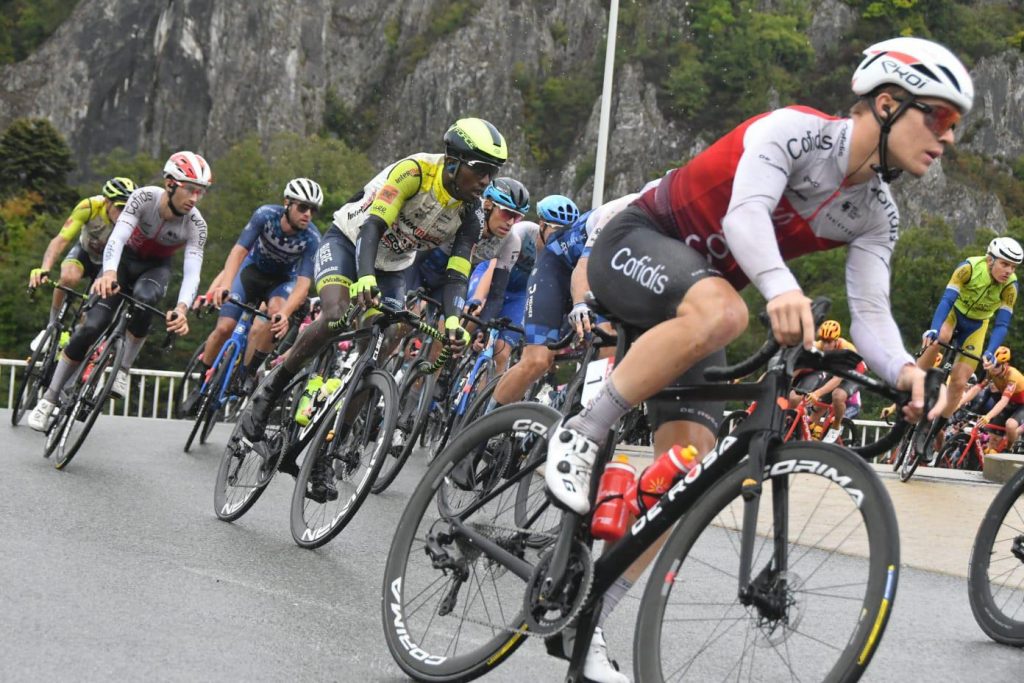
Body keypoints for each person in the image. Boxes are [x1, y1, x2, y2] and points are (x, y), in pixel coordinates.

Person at [542, 37, 964, 674]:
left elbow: (872, 315)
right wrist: (782, 288)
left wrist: (906, 370)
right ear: (885, 104)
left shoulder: (876, 213)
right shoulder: (794, 132)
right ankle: (583, 431)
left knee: (683, 476)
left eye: (956, 124)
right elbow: (745, 218)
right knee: (727, 312)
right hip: (639, 242)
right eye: (939, 117)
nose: (948, 138)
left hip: (698, 306)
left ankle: (586, 620)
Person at [237, 117, 507, 501]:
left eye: (492, 172)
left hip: (394, 267)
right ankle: (269, 391)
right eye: (480, 169)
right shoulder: (414, 172)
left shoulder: (472, 214)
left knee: (384, 347)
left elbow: (457, 275)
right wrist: (363, 276)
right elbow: (372, 227)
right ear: (454, 161)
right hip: (349, 242)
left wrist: (452, 319)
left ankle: (324, 454)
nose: (485, 180)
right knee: (336, 315)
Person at [28, 152, 210, 432]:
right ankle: (49, 399)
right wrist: (109, 272)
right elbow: (118, 237)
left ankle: (122, 368)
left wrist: (182, 308)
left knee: (147, 300)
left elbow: (192, 271)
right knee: (90, 327)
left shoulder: (196, 225)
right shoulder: (144, 197)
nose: (195, 198)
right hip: (122, 262)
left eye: (200, 192)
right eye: (190, 189)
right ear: (171, 183)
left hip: (155, 270)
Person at [182, 178, 323, 412]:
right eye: (302, 207)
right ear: (287, 203)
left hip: (280, 282)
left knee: (276, 314)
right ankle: (199, 386)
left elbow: (303, 285)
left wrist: (286, 314)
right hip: (251, 272)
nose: (308, 214)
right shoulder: (265, 215)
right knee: (224, 328)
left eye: (313, 210)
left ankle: (246, 373)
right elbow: (238, 252)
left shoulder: (312, 238)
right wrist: (225, 286)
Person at [917, 236, 1021, 444]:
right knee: (940, 338)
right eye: (1005, 264)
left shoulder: (1010, 287)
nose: (1009, 271)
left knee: (959, 381)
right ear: (990, 260)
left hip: (976, 326)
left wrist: (990, 352)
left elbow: (1001, 325)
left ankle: (935, 428)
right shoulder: (968, 268)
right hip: (954, 314)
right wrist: (933, 329)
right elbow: (947, 300)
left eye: (1014, 267)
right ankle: (914, 381)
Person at [27, 177, 137, 349]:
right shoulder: (90, 207)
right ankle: (51, 325)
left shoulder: (133, 219)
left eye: (127, 208)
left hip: (108, 266)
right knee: (69, 278)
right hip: (84, 253)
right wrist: (45, 268)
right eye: (119, 207)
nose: (124, 214)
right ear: (107, 201)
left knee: (97, 310)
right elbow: (61, 239)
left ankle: (80, 335)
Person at [789, 319, 867, 443]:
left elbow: (837, 380)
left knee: (837, 395)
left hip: (854, 372)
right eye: (823, 341)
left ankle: (836, 426)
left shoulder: (845, 349)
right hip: (834, 370)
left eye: (829, 342)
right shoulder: (817, 345)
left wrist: (817, 393)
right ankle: (807, 445)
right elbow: (800, 366)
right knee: (816, 410)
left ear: (836, 341)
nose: (825, 345)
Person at [957, 345, 1024, 450]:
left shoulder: (1012, 375)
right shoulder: (990, 371)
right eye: (992, 363)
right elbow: (977, 388)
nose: (993, 367)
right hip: (1009, 402)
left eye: (997, 365)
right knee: (992, 438)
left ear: (1005, 364)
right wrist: (959, 403)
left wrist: (988, 416)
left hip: (1021, 404)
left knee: (1010, 425)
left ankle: (1010, 449)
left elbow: (1003, 401)